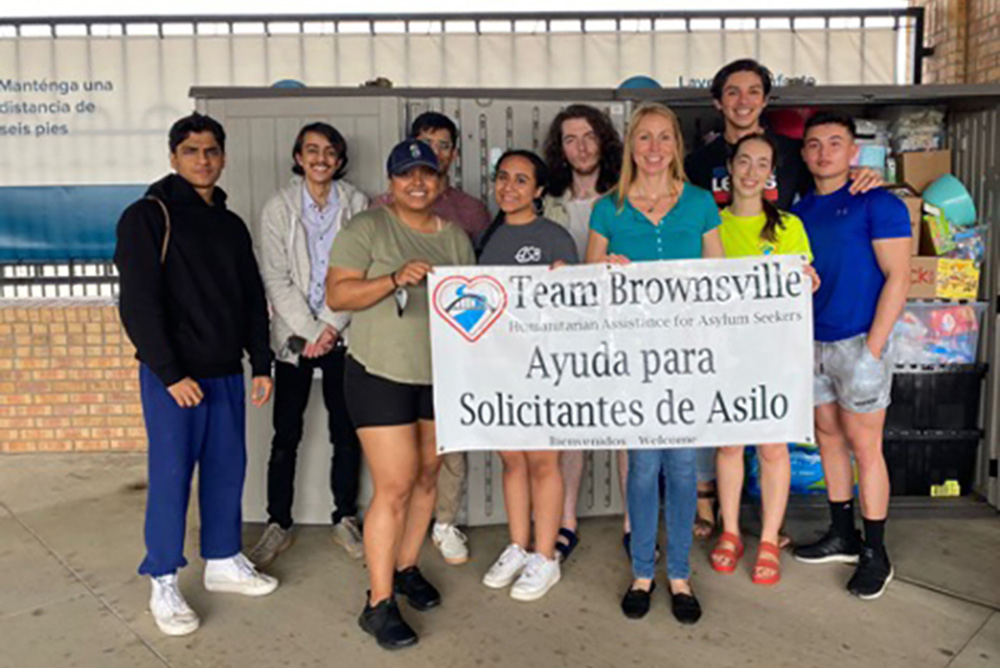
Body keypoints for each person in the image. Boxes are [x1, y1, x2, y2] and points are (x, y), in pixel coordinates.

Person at [684, 58, 883, 539]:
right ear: (718, 101)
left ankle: (771, 531)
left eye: (754, 91)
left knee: (776, 440)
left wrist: (868, 178)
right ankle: (716, 510)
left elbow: (830, 174)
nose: (743, 101)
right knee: (726, 436)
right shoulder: (695, 165)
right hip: (722, 335)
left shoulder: (795, 155)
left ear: (766, 100)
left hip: (783, 329)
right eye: (732, 92)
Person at [114, 112, 277, 637]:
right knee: (170, 477)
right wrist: (169, 371)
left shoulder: (230, 224)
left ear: (223, 157)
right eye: (191, 151)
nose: (202, 160)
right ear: (173, 157)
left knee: (228, 469)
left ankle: (224, 559)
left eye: (211, 151)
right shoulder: (147, 216)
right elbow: (139, 305)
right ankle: (163, 577)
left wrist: (262, 362)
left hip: (227, 372)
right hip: (175, 379)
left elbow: (252, 296)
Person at [328, 139, 476, 649]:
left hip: (438, 376)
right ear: (391, 183)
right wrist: (393, 279)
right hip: (379, 374)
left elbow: (475, 306)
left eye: (427, 174)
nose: (418, 182)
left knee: (429, 477)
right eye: (406, 174)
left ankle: (408, 566)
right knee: (394, 485)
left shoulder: (455, 237)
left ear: (440, 181)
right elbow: (338, 294)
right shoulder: (367, 227)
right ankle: (379, 601)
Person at [587, 103, 724, 625]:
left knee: (684, 466)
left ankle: (681, 574)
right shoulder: (609, 207)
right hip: (632, 355)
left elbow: (720, 280)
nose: (654, 148)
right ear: (631, 146)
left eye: (664, 138)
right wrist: (604, 269)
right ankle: (643, 570)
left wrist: (789, 282)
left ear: (676, 146)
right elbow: (588, 277)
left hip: (687, 354)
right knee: (643, 466)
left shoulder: (700, 203)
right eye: (644, 138)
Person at [790, 112, 910, 600]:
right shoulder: (799, 212)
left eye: (834, 143)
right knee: (828, 439)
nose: (823, 152)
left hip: (861, 341)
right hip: (812, 343)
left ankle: (876, 552)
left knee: (865, 446)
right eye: (814, 144)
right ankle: (843, 534)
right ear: (804, 154)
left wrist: (874, 349)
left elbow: (898, 276)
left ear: (852, 151)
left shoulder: (878, 203)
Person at [248, 123, 369, 567]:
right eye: (312, 150)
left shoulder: (357, 205)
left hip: (343, 334)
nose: (321, 158)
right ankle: (277, 523)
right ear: (298, 157)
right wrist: (309, 331)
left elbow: (363, 269)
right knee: (286, 436)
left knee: (346, 432)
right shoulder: (278, 208)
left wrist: (331, 327)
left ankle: (345, 518)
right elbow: (275, 277)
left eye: (330, 151)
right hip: (295, 341)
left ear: (339, 160)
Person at [374, 111, 490, 566]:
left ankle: (444, 521)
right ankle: (400, 524)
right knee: (400, 449)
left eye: (443, 145)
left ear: (453, 155)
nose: (434, 153)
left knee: (450, 444)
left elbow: (486, 282)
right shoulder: (379, 209)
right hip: (399, 349)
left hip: (452, 347)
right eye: (425, 143)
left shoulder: (470, 212)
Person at [709, 133, 818, 586]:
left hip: (775, 355)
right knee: (730, 445)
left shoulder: (789, 226)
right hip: (726, 355)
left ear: (771, 172)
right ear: (730, 167)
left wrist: (806, 280)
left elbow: (803, 287)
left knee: (773, 446)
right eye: (744, 161)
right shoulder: (710, 225)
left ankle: (770, 537)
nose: (752, 171)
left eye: (762, 164)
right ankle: (731, 531)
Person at [477, 150, 578, 601]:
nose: (509, 187)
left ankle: (545, 556)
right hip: (500, 368)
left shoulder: (555, 237)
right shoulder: (486, 239)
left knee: (543, 462)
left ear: (538, 191)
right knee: (512, 460)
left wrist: (565, 282)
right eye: (503, 178)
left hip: (544, 371)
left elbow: (575, 309)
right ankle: (518, 545)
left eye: (521, 180)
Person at [541, 104, 624, 562]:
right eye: (570, 139)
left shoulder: (626, 196)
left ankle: (634, 522)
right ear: (560, 148)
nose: (581, 147)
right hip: (567, 332)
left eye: (589, 136)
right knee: (571, 428)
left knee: (627, 427)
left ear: (604, 140)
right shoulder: (547, 201)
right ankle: (566, 520)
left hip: (620, 328)